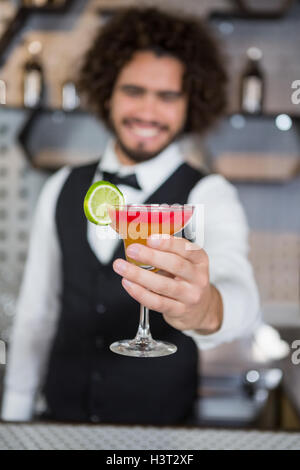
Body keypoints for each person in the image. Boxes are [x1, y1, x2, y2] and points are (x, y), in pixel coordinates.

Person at [1, 7, 260, 425]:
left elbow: (242, 294)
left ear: (190, 102)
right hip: (60, 423)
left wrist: (204, 307)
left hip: (157, 431)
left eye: (168, 96)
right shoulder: (62, 186)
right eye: (133, 90)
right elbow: (37, 312)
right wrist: (14, 415)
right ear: (107, 93)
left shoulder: (209, 194)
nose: (148, 112)